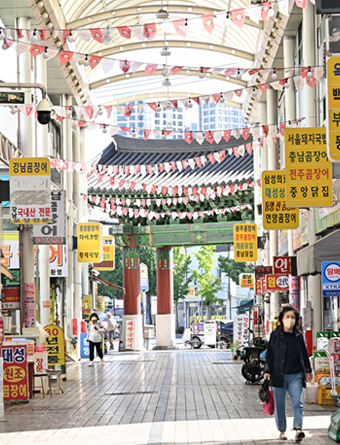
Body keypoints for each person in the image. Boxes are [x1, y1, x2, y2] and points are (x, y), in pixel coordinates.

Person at [264, 306, 312, 442]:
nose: (290, 320)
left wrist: (308, 371)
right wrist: (267, 371)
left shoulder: (298, 335)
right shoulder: (275, 335)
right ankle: (282, 431)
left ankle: (298, 429)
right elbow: (270, 354)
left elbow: (304, 354)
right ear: (282, 319)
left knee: (297, 402)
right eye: (287, 317)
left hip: (295, 374)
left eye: (293, 317)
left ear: (296, 319)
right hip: (277, 375)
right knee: (279, 404)